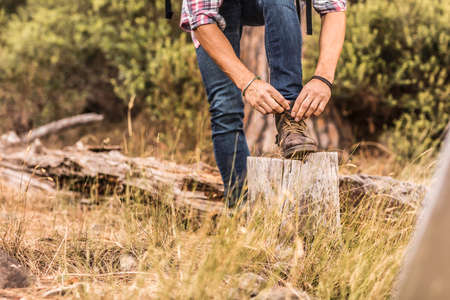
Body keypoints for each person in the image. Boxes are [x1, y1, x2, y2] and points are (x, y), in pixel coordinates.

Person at [180, 0, 346, 206]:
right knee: (225, 107)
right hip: (214, 11)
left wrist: (323, 78)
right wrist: (248, 83)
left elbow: (333, 7)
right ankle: (241, 210)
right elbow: (201, 19)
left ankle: (289, 120)